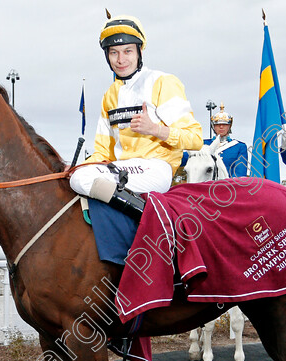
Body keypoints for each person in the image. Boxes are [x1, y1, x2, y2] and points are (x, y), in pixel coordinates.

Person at [70, 12, 203, 220]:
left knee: (81, 179)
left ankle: (149, 219)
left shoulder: (162, 82)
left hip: (155, 169)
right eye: (114, 53)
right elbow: (103, 152)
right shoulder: (110, 95)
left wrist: (156, 129)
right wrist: (77, 167)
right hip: (120, 169)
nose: (121, 60)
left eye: (127, 51)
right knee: (77, 176)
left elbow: (195, 139)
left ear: (139, 51)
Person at [180, 104, 249, 177]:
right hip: (205, 185)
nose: (221, 127)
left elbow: (240, 173)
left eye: (224, 124)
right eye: (218, 124)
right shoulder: (202, 144)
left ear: (229, 126)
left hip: (228, 186)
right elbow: (181, 159)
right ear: (213, 126)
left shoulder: (239, 147)